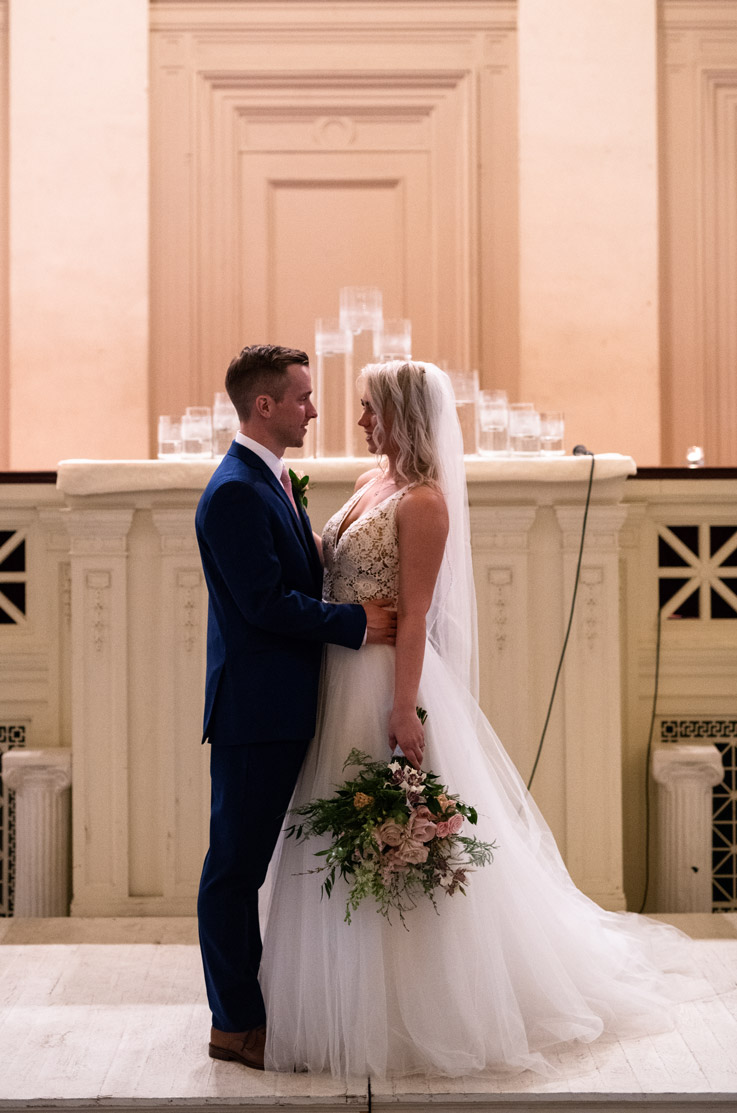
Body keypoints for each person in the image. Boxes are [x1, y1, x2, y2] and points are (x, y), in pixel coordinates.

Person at [259, 359, 698, 1078]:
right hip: (336, 675)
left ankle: (412, 1004)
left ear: (401, 414)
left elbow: (416, 614)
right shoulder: (372, 481)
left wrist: (403, 706)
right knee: (335, 827)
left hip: (381, 680)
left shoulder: (425, 502)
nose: (360, 420)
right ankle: (333, 997)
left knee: (389, 825)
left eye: (371, 409)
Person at [195, 344, 396, 1072]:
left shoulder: (269, 478)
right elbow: (265, 604)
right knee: (233, 870)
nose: (314, 409)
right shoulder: (236, 491)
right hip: (257, 710)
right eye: (303, 397)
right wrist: (356, 623)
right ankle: (234, 1024)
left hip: (283, 703)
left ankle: (257, 1010)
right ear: (265, 405)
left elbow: (290, 572)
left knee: (247, 864)